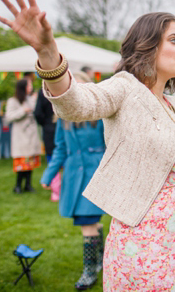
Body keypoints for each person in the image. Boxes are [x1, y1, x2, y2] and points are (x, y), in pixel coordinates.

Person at [0, 0, 175, 291]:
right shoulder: (125, 87)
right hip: (143, 241)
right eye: (173, 40)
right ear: (148, 45)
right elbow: (76, 104)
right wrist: (49, 54)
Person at [40, 71, 107, 290]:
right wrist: (49, 175)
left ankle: (90, 270)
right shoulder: (63, 119)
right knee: (91, 221)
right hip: (73, 176)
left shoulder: (100, 118)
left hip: (95, 175)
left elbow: (110, 146)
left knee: (87, 221)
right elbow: (60, 148)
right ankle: (102, 259)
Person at [5, 77, 41, 193]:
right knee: (22, 163)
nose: (30, 88)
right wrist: (23, 111)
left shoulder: (30, 99)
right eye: (29, 85)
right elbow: (9, 117)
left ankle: (28, 185)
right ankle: (18, 185)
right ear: (23, 87)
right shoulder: (13, 101)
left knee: (30, 161)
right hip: (21, 136)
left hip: (31, 135)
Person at [34, 82, 59, 200]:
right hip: (60, 125)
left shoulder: (42, 92)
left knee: (53, 158)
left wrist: (45, 124)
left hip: (50, 128)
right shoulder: (63, 89)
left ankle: (56, 191)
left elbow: (38, 113)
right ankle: (58, 189)